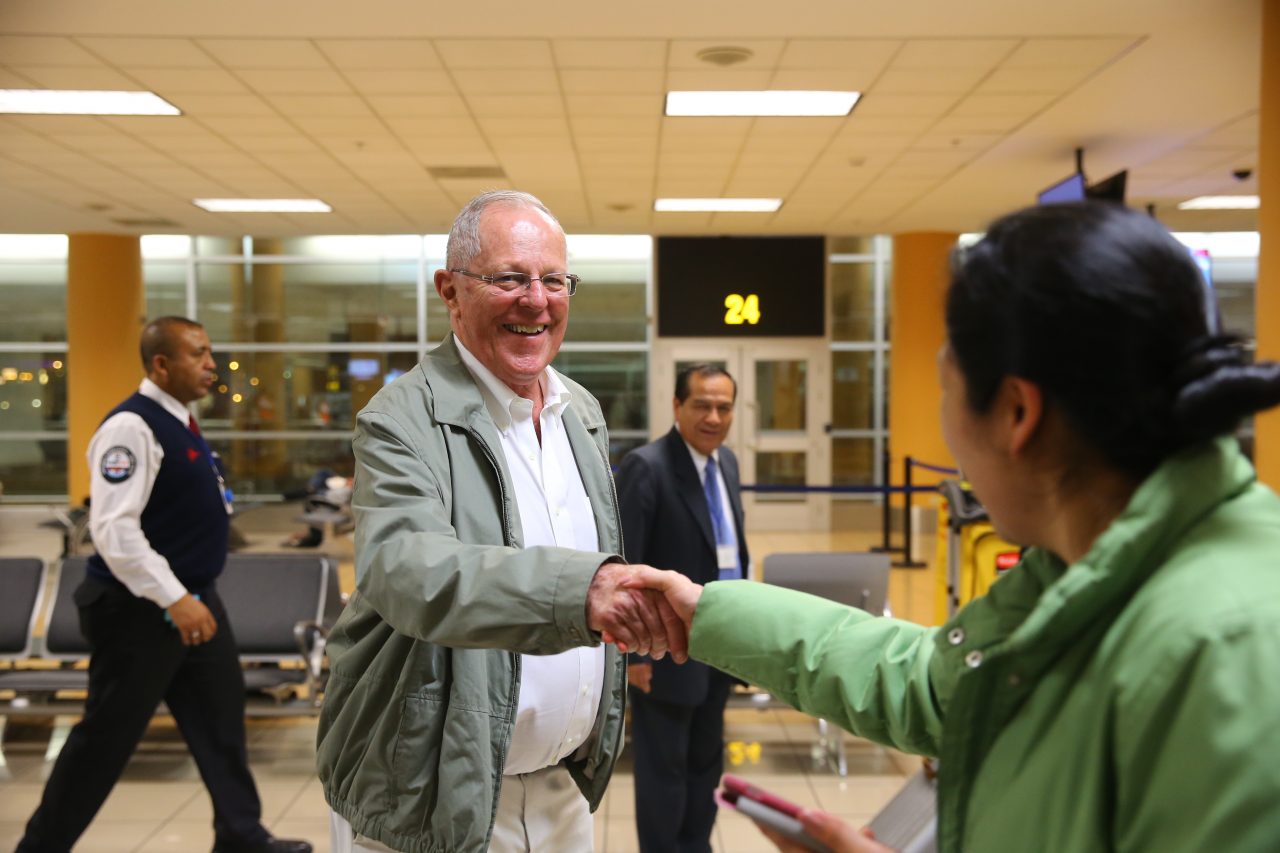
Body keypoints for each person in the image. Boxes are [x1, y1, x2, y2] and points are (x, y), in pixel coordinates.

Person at [621, 202, 1280, 852]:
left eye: (945, 387)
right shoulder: (1081, 569)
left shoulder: (1231, 657)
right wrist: (707, 610)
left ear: (1017, 413)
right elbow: (930, 682)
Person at [316, 190, 684, 853]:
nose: (537, 300)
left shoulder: (580, 411)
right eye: (511, 277)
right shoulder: (400, 419)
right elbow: (406, 570)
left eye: (554, 279)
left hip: (563, 789)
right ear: (451, 291)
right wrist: (585, 591)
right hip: (433, 795)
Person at [18, 317, 311, 853]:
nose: (211, 365)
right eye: (198, 354)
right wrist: (175, 599)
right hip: (141, 611)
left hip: (197, 601)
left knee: (222, 724)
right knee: (104, 740)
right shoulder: (131, 428)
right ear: (160, 364)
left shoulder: (181, 423)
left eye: (210, 353)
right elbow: (113, 529)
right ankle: (40, 847)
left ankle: (241, 835)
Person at [615, 363, 749, 853]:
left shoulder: (727, 464)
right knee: (663, 775)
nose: (714, 416)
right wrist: (632, 656)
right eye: (702, 405)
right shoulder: (646, 468)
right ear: (676, 406)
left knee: (705, 766)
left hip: (721, 646)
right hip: (665, 652)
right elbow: (626, 570)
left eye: (724, 406)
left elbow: (733, 548)